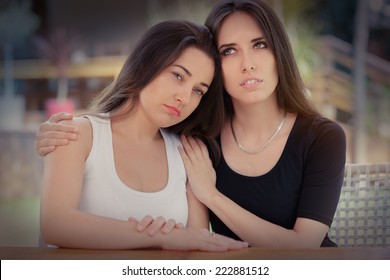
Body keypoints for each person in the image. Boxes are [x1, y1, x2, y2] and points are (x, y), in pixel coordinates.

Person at [35, 0, 346, 248]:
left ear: (280, 53)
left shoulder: (321, 137)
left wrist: (211, 196)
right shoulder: (199, 140)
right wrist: (53, 133)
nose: (247, 63)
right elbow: (55, 225)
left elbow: (302, 246)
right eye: (229, 51)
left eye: (260, 45)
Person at [36, 19, 248, 251]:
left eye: (198, 90)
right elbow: (55, 225)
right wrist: (161, 237)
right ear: (146, 64)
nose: (185, 98)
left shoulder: (188, 153)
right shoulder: (77, 135)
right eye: (178, 76)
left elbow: (195, 243)